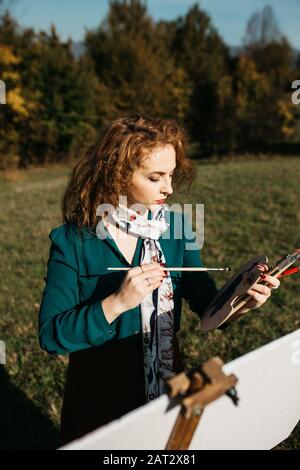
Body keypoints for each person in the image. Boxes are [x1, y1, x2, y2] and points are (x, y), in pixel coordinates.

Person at [38, 114, 280, 446]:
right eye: (155, 177)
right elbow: (52, 336)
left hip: (169, 382)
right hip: (99, 390)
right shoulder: (72, 241)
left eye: (170, 175)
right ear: (118, 173)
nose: (168, 188)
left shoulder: (177, 230)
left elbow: (208, 308)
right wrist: (116, 303)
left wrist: (242, 298)